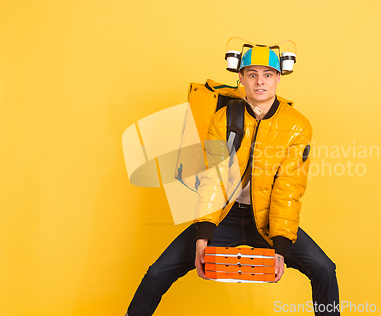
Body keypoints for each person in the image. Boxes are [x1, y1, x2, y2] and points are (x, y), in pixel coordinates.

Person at [127, 46, 340, 316]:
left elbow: (289, 188)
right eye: (252, 74)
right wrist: (203, 238)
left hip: (265, 220)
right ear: (241, 78)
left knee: (324, 268)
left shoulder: (298, 126)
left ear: (278, 78)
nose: (260, 81)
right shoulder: (223, 118)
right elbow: (213, 180)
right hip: (223, 217)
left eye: (267, 74)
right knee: (158, 272)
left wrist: (280, 249)